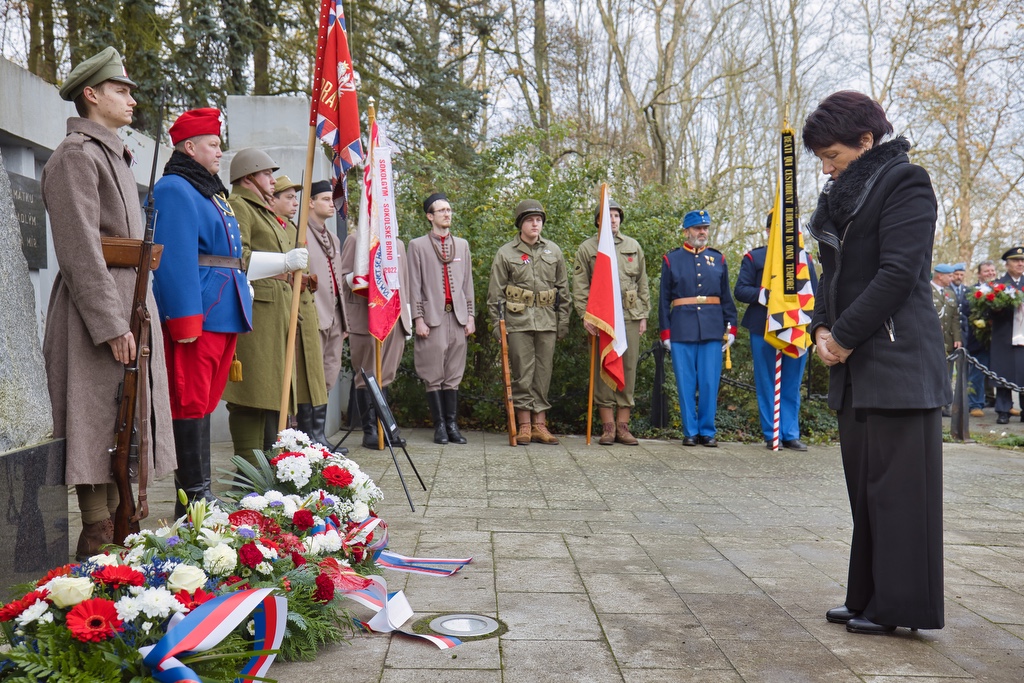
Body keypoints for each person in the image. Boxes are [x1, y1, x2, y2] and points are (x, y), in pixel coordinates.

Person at [805, 91, 947, 635]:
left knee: (899, 496)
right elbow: (832, 274)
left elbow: (897, 273)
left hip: (896, 362)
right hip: (855, 365)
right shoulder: (843, 195)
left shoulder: (906, 182)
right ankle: (866, 597)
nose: (826, 166)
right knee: (865, 492)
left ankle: (901, 608)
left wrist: (840, 336)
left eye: (833, 155)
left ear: (866, 141)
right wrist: (821, 325)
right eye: (821, 157)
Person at [41, 46, 175, 558]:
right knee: (98, 420)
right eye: (121, 90)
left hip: (131, 302)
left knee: (126, 421)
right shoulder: (76, 156)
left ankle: (124, 531)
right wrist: (111, 324)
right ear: (92, 95)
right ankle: (98, 537)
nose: (130, 100)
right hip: (97, 311)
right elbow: (79, 250)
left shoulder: (112, 152)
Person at [152, 107, 253, 516]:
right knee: (189, 401)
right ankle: (193, 496)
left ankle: (200, 493)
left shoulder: (206, 189)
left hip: (222, 307)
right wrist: (185, 318)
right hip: (201, 311)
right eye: (213, 144)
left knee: (205, 401)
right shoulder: (175, 188)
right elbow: (174, 258)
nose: (219, 152)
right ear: (189, 147)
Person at [220, 151, 316, 466]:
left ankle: (266, 473)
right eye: (266, 174)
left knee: (271, 394)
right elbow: (237, 256)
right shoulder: (240, 207)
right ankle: (248, 476)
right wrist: (283, 263)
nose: (273, 180)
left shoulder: (261, 210)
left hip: (275, 313)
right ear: (248, 178)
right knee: (252, 394)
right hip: (256, 313)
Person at [487, 199, 571, 445]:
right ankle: (524, 425)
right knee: (522, 374)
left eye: (539, 220)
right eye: (530, 220)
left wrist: (563, 322)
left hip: (547, 321)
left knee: (543, 374)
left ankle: (540, 425)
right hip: (517, 322)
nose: (535, 224)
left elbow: (563, 291)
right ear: (520, 224)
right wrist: (496, 326)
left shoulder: (553, 251)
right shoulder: (506, 253)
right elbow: (495, 294)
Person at [733, 214, 817, 450]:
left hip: (797, 327)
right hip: (764, 326)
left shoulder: (804, 260)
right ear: (769, 230)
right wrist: (766, 296)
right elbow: (741, 290)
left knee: (791, 383)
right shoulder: (755, 257)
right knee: (767, 382)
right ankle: (772, 432)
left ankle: (790, 433)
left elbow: (815, 295)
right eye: (778, 229)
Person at [572, 199, 650, 445]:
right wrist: (585, 314)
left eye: (616, 215)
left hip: (629, 315)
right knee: (603, 367)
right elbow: (581, 285)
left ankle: (623, 426)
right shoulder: (588, 248)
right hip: (602, 319)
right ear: (598, 220)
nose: (613, 219)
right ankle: (607, 427)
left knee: (627, 369)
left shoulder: (633, 246)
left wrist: (644, 314)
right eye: (609, 215)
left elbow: (642, 282)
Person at [267, 175, 336, 450]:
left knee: (314, 376)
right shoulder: (282, 229)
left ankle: (314, 436)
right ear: (272, 200)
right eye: (288, 197)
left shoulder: (294, 229)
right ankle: (299, 438)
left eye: (296, 197)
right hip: (286, 309)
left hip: (310, 309)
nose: (294, 203)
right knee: (297, 376)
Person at [658, 210, 737, 448]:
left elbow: (726, 298)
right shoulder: (672, 260)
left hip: (712, 329)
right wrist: (665, 332)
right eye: (697, 228)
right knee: (685, 383)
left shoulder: (718, 259)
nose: (702, 232)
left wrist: (731, 328)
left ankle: (707, 431)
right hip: (682, 329)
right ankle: (690, 431)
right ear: (686, 231)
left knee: (710, 382)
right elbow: (663, 300)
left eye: (705, 228)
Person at [407, 192, 476, 445]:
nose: (447, 214)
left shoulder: (463, 244)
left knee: (454, 372)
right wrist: (418, 318)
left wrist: (470, 316)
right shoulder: (417, 245)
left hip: (457, 318)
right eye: (441, 210)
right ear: (430, 216)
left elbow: (467, 284)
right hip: (432, 318)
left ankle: (452, 425)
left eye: (449, 209)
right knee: (432, 370)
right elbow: (414, 284)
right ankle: (439, 427)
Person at [338, 218, 412, 449]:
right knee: (366, 375)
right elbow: (342, 279)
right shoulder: (355, 240)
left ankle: (386, 430)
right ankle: (370, 430)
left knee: (386, 374)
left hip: (394, 318)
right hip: (365, 318)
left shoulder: (397, 245)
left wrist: (406, 318)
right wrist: (359, 275)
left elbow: (405, 283)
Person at [306, 180, 347, 399]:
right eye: (325, 199)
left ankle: (319, 432)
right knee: (311, 374)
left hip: (335, 317)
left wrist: (344, 319)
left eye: (332, 200)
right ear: (310, 203)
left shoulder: (334, 239)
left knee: (330, 372)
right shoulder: (299, 234)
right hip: (314, 314)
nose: (332, 204)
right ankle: (306, 432)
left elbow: (338, 280)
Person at [989, 247, 1024, 425]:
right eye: (1016, 260)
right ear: (1007, 263)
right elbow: (987, 312)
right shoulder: (998, 285)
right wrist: (996, 307)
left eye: (1022, 261)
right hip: (1005, 336)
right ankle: (1003, 410)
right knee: (1004, 372)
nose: (1020, 263)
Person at [963, 260, 998, 416]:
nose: (990, 273)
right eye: (986, 271)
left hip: (999, 340)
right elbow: (966, 310)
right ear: (979, 274)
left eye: (992, 270)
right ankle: (975, 404)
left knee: (1003, 373)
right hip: (979, 338)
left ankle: (1005, 404)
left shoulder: (1002, 290)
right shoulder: (971, 291)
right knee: (977, 373)